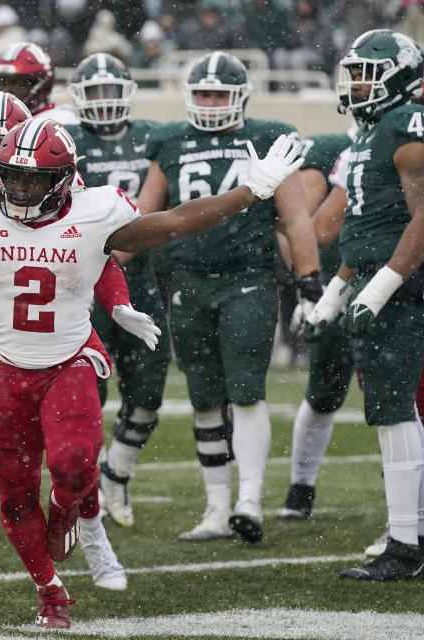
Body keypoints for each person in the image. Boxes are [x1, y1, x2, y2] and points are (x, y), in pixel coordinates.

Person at [0, 117, 302, 627]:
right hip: (4, 367)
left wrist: (250, 192)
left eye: (33, 179)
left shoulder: (95, 211)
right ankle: (50, 591)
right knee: (15, 494)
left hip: (67, 362)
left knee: (75, 467)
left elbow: (175, 222)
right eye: (10, 176)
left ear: (63, 179)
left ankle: (71, 512)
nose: (18, 189)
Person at [136, 51, 320, 544]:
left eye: (220, 93)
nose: (212, 103)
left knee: (246, 391)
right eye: (203, 94)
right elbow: (143, 216)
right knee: (203, 398)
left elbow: (296, 216)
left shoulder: (266, 136)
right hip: (188, 282)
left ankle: (249, 501)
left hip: (248, 278)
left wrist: (309, 279)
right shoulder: (169, 142)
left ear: (241, 96)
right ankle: (218, 508)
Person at [302, 29, 424, 581]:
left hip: (402, 284)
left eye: (367, 72)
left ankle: (405, 543)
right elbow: (364, 230)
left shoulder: (410, 123)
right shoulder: (369, 133)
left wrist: (383, 286)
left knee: (392, 409)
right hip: (372, 276)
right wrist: (334, 296)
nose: (357, 83)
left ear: (398, 74)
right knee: (398, 409)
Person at [65, 53, 171, 528]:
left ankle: (118, 472)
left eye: (113, 91)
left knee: (148, 386)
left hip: (140, 279)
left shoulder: (154, 137)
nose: (105, 103)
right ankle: (84, 485)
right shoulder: (67, 139)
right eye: (95, 92)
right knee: (86, 389)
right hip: (79, 279)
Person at [275, 128, 355, 522]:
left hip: (404, 285)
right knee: (324, 390)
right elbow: (296, 222)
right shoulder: (329, 148)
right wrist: (307, 287)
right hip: (340, 285)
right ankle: (301, 484)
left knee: (416, 402)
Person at [0, 42, 79, 125]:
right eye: (2, 82)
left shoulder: (63, 121)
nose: (6, 89)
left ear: (42, 85)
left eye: (16, 82)